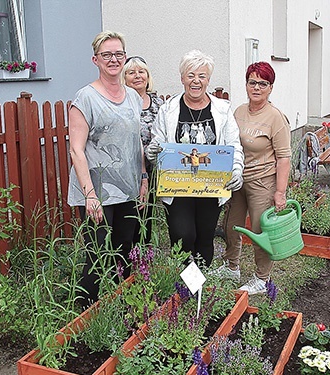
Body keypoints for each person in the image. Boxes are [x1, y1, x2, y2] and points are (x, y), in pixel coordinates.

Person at [67, 31, 147, 307]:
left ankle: (116, 307)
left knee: (124, 253)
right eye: (107, 55)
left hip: (128, 189)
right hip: (97, 193)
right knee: (97, 255)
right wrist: (90, 195)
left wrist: (144, 178)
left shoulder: (134, 98)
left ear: (125, 57)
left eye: (118, 54)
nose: (113, 60)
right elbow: (76, 150)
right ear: (96, 60)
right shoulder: (85, 98)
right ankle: (86, 312)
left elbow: (136, 141)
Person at [146, 50, 244, 267]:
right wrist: (153, 153)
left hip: (211, 186)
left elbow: (233, 145)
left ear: (208, 79)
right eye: (190, 75)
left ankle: (199, 291)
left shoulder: (222, 109)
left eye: (202, 76)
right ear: (182, 78)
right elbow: (158, 142)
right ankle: (183, 283)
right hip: (177, 187)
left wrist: (236, 169)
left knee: (204, 237)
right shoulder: (168, 109)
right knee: (182, 236)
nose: (196, 81)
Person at [216, 61, 291, 294]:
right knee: (232, 225)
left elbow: (284, 158)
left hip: (263, 182)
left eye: (263, 83)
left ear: (270, 88)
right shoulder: (238, 111)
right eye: (252, 82)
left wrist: (280, 192)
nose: (256, 87)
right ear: (246, 84)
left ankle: (262, 278)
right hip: (239, 179)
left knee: (260, 231)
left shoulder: (275, 118)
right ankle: (231, 266)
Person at [121, 55, 164, 244]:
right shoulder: (121, 103)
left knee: (147, 210)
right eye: (131, 72)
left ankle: (143, 253)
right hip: (128, 168)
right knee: (130, 212)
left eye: (141, 71)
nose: (137, 76)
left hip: (153, 167)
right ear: (124, 78)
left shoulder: (159, 104)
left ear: (148, 76)